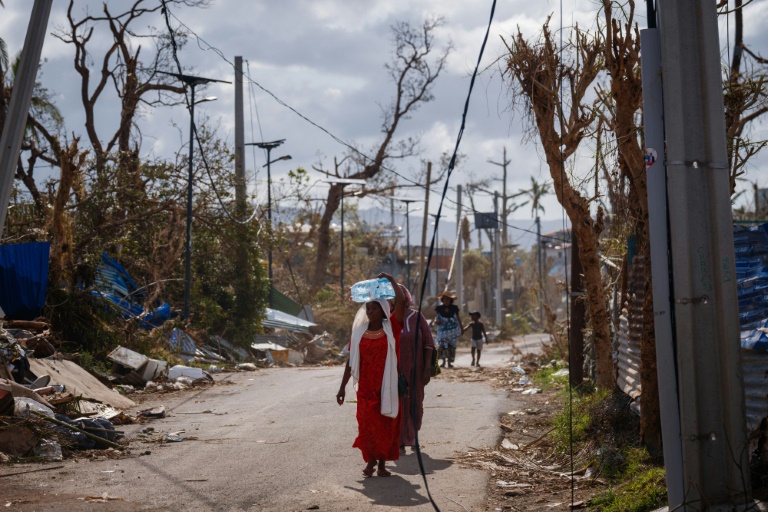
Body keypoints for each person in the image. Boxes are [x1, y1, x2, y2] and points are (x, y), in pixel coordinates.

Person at [337, 272, 405, 478]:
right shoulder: (358, 332)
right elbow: (351, 361)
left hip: (387, 385)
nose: (369, 311)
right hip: (366, 388)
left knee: (385, 424)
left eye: (373, 308)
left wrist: (392, 280)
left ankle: (382, 463)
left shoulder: (392, 328)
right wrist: (341, 387)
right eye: (367, 308)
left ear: (383, 310)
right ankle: (371, 461)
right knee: (366, 425)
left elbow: (401, 302)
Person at [394, 284, 435, 454]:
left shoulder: (417, 317)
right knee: (399, 405)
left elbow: (429, 344)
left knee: (415, 402)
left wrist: (427, 369)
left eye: (399, 298)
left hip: (417, 371)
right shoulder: (389, 320)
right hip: (396, 371)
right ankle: (401, 440)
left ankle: (414, 437)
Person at [433, 291, 463, 368]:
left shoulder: (454, 308)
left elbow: (458, 318)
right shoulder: (439, 308)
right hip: (442, 330)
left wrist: (461, 328)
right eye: (445, 299)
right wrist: (436, 321)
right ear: (442, 300)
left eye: (448, 299)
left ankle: (449, 362)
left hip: (453, 330)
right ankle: (443, 362)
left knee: (451, 347)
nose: (446, 301)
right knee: (442, 346)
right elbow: (437, 318)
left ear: (450, 300)